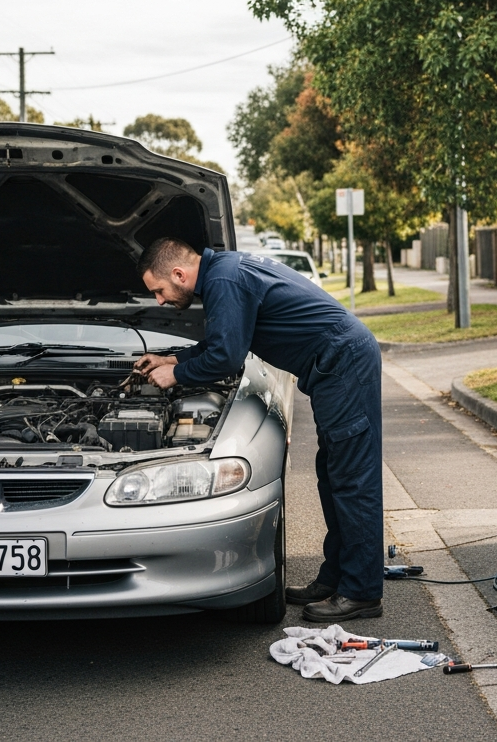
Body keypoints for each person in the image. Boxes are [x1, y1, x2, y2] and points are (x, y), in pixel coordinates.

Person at [134, 237, 384, 622]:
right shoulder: (224, 273)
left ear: (179, 274)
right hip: (335, 365)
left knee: (351, 478)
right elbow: (224, 342)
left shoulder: (225, 281)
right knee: (333, 476)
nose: (161, 302)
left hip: (343, 363)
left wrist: (176, 374)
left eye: (160, 291)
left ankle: (362, 592)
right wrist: (172, 357)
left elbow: (226, 357)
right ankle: (336, 578)